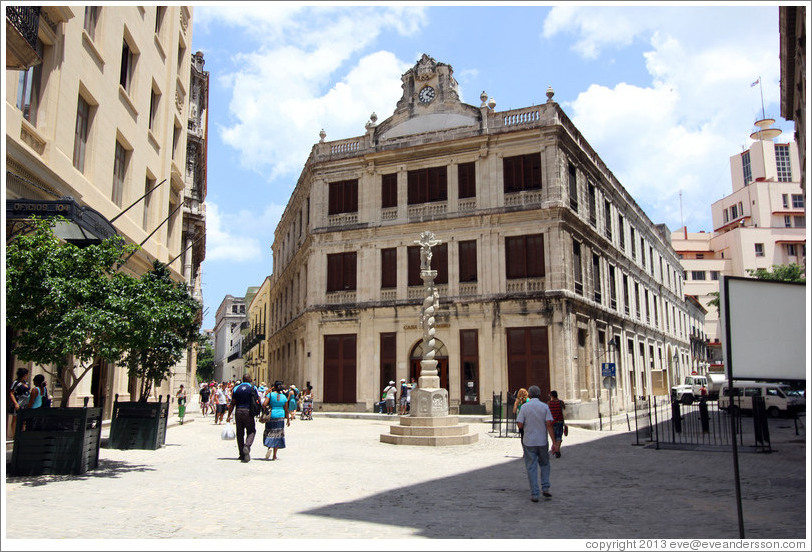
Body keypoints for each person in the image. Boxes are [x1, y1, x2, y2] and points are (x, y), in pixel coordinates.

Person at [515, 385, 558, 502]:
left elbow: (519, 424)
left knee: (531, 467)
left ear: (529, 394)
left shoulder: (524, 408)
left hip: (529, 441)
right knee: (545, 464)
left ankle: (535, 493)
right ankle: (545, 487)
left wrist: (527, 426)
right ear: (539, 395)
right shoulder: (544, 407)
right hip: (542, 441)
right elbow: (549, 424)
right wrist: (554, 443)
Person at [227, 374, 259, 463]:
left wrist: (229, 415)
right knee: (251, 430)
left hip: (238, 411)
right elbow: (257, 400)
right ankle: (247, 446)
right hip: (248, 411)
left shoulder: (236, 388)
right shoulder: (253, 387)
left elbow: (232, 403)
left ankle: (241, 454)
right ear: (249, 379)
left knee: (240, 433)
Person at [262, 381, 291, 460]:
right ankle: (274, 455)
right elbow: (286, 410)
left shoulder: (270, 395)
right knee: (278, 434)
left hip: (271, 416)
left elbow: (264, 404)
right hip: (280, 416)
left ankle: (269, 447)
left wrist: (268, 407)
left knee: (269, 432)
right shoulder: (284, 397)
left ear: (274, 387)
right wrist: (288, 420)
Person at [7, 368, 31, 439]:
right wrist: (15, 403)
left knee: (23, 420)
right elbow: (11, 393)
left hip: (25, 403)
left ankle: (22, 434)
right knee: (15, 418)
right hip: (18, 402)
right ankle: (14, 435)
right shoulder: (16, 383)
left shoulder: (26, 383)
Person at [548, 390, 566, 458]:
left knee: (554, 436)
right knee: (559, 436)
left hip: (552, 422)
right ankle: (557, 450)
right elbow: (564, 408)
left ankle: (556, 449)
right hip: (560, 421)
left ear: (552, 396)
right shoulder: (560, 402)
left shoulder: (549, 403)